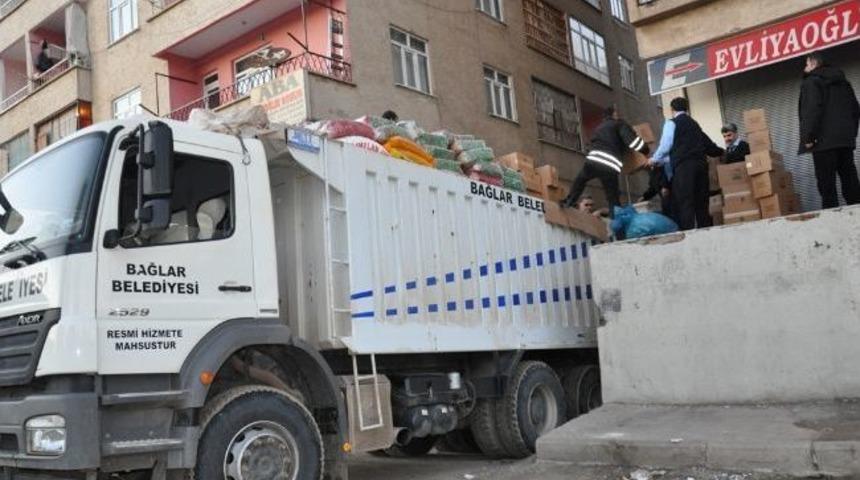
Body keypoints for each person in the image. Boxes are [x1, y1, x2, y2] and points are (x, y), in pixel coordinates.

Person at [649, 97, 723, 230]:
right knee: (702, 202)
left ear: (672, 109)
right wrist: (722, 152)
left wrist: (654, 159)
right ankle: (705, 231)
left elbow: (666, 146)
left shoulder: (672, 123)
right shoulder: (695, 124)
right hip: (701, 166)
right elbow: (709, 146)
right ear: (687, 108)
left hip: (684, 168)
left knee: (685, 201)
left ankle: (688, 234)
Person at [798, 51, 860, 208]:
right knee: (850, 182)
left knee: (827, 186)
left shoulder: (812, 82)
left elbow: (812, 110)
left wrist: (809, 138)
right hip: (845, 141)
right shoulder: (844, 83)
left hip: (823, 143)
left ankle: (833, 224)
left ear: (813, 64)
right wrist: (851, 135)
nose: (805, 67)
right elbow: (855, 109)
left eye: (806, 64)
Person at [562, 105, 651, 213]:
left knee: (580, 180)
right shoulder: (619, 124)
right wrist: (646, 151)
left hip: (593, 161)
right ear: (614, 114)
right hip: (609, 165)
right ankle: (617, 222)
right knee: (612, 197)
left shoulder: (599, 128)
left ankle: (568, 202)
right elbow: (632, 142)